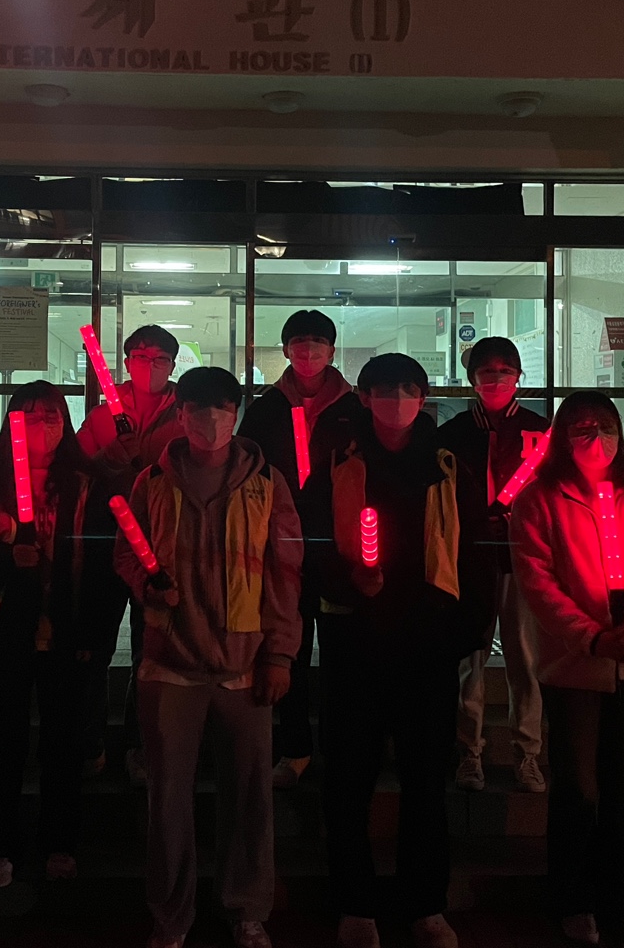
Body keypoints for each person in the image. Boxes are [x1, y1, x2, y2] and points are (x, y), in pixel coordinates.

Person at [113, 367, 303, 948]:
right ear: (180, 413)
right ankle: (171, 916)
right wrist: (147, 588)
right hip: (169, 661)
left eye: (222, 407)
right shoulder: (151, 481)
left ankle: (246, 909)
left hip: (246, 663)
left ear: (237, 413)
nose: (211, 419)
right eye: (199, 407)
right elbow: (127, 552)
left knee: (249, 796)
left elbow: (285, 572)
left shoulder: (267, 483)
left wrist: (280, 655)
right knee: (167, 800)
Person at [309, 354, 493, 948]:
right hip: (354, 643)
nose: (397, 399)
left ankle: (425, 904)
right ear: (363, 397)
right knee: (347, 780)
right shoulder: (337, 463)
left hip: (427, 646)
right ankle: (354, 903)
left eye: (408, 388)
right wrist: (347, 583)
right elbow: (310, 546)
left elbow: (476, 553)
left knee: (426, 783)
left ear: (424, 396)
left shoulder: (448, 466)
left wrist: (466, 631)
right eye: (384, 389)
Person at [509, 391, 624, 948]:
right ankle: (574, 901)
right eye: (582, 427)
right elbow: (538, 581)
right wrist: (589, 636)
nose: (595, 438)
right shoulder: (540, 500)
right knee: (577, 789)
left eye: (605, 426)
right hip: (573, 669)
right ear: (562, 436)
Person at [0, 382, 121, 889]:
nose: (42, 424)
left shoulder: (88, 485)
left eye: (52, 415)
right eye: (29, 414)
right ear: (11, 423)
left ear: (66, 421)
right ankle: (1, 845)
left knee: (63, 744)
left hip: (66, 633)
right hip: (3, 634)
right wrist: (5, 559)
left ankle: (60, 842)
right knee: (4, 744)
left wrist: (94, 632)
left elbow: (107, 566)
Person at [236, 309, 361, 789]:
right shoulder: (266, 408)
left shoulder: (354, 408)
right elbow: (247, 467)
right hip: (281, 543)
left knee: (342, 653)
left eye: (318, 341)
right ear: (286, 349)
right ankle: (295, 747)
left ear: (332, 350)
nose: (309, 350)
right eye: (300, 341)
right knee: (287, 648)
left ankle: (340, 747)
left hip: (340, 547)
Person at [437, 337, 550, 794]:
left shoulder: (541, 432)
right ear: (473, 379)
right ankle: (470, 751)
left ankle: (528, 752)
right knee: (471, 658)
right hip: (470, 559)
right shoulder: (453, 433)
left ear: (519, 376)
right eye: (488, 371)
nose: (497, 379)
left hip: (523, 557)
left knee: (526, 657)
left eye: (506, 371)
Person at [77, 324, 186, 786]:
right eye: (141, 357)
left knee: (152, 648)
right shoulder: (104, 413)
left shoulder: (186, 411)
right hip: (107, 537)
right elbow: (76, 470)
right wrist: (109, 460)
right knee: (94, 644)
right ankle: (90, 742)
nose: (150, 366)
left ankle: (142, 745)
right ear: (125, 362)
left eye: (160, 359)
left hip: (161, 542)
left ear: (173, 365)